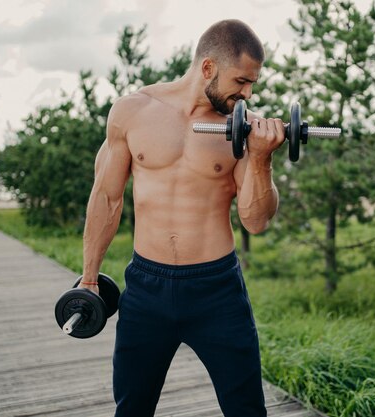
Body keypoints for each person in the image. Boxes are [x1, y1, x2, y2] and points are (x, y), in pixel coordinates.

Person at [79, 19, 284, 417]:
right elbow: (106, 198)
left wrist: (261, 159)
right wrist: (89, 278)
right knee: (132, 407)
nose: (247, 93)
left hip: (217, 292)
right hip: (146, 289)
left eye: (252, 84)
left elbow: (255, 221)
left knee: (246, 410)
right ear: (208, 68)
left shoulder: (242, 129)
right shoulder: (132, 112)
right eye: (241, 81)